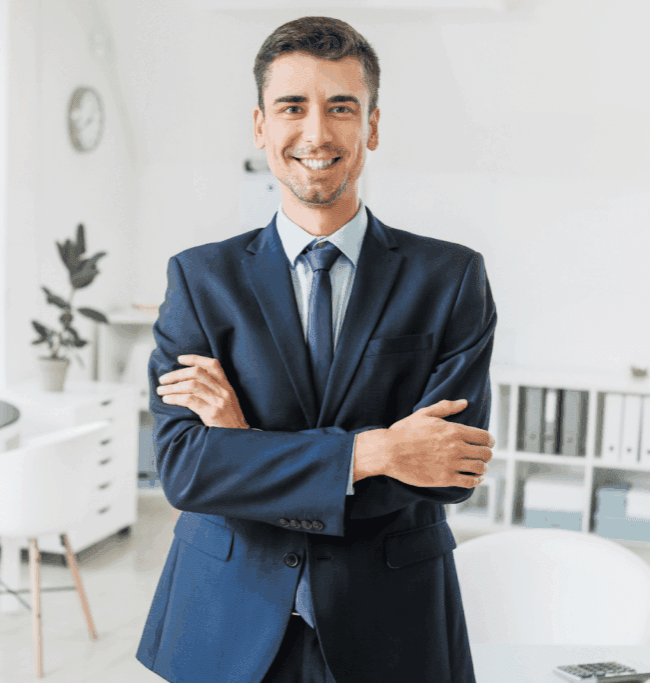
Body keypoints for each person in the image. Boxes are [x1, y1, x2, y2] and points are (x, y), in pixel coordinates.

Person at [136, 16, 496, 683]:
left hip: (391, 624)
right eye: (292, 107)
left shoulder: (450, 278)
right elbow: (185, 471)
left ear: (372, 127)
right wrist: (377, 451)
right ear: (260, 126)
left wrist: (242, 447)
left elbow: (449, 470)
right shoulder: (200, 279)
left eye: (341, 108)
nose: (316, 133)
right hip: (225, 619)